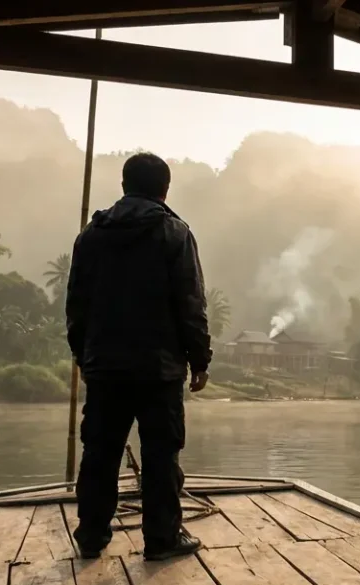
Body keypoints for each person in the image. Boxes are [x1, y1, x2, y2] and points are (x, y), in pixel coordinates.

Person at [67, 152, 212, 561]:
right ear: (164, 189)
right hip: (159, 369)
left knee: (99, 453)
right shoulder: (174, 233)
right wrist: (199, 359)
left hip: (106, 368)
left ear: (124, 185)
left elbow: (76, 304)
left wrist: (84, 355)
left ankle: (91, 536)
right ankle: (162, 539)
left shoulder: (90, 237)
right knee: (161, 456)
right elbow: (190, 303)